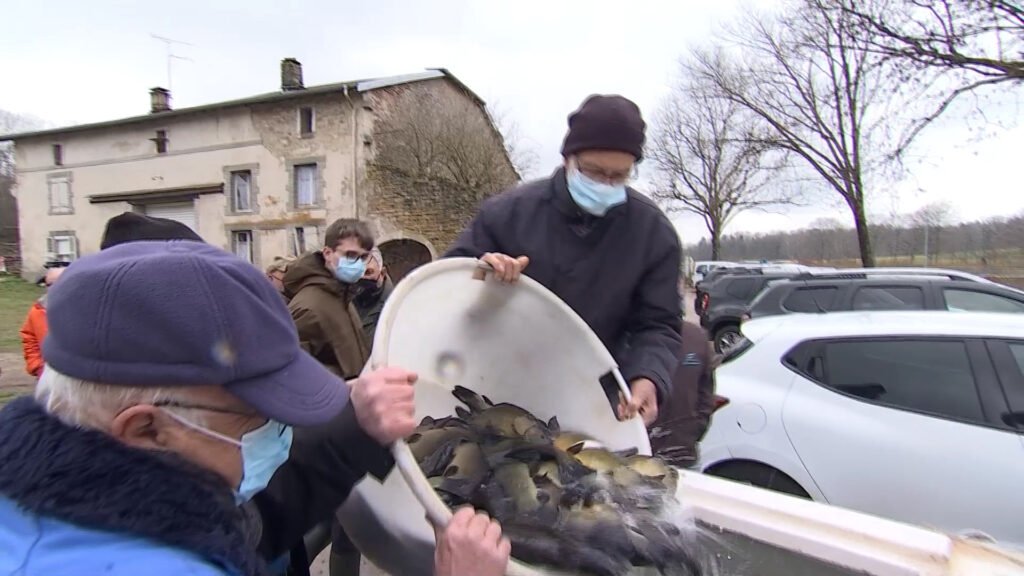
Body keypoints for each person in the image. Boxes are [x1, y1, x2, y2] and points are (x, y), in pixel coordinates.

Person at [0, 241, 510, 576]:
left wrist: (356, 426)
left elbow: (243, 522)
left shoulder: (112, 499)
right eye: (259, 417)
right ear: (147, 429)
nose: (279, 433)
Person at [446, 94, 683, 426]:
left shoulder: (653, 233)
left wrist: (649, 375)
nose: (606, 184)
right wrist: (480, 272)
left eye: (619, 176)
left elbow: (658, 324)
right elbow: (444, 288)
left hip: (593, 401)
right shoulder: (507, 214)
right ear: (569, 158)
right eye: (595, 172)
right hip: (496, 389)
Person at [284, 218, 372, 380]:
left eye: (363, 257)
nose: (358, 264)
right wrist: (342, 381)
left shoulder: (342, 297)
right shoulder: (309, 307)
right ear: (328, 253)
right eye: (350, 255)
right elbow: (290, 373)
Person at [649, 321, 718, 468]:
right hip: (635, 457)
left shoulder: (696, 337)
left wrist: (694, 430)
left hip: (682, 452)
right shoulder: (631, 334)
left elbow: (705, 392)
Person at [19, 266, 64, 378]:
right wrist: (37, 366)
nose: (53, 288)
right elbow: (29, 338)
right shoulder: (38, 309)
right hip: (46, 375)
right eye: (49, 284)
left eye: (60, 282)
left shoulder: (86, 309)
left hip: (79, 378)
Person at [353, 247, 394, 347]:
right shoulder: (345, 304)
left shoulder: (395, 308)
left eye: (368, 272)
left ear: (382, 273)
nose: (362, 278)